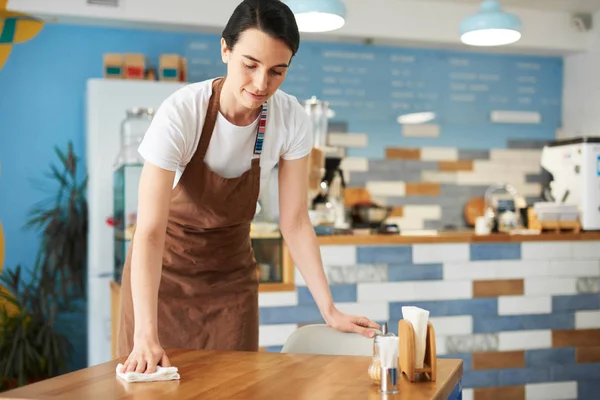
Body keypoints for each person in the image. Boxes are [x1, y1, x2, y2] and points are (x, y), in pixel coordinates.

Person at [118, 0, 380, 374]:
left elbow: (295, 222)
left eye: (277, 71)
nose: (261, 84)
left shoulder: (290, 119)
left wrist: (329, 309)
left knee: (235, 388)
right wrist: (145, 332)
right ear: (225, 49)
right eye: (250, 65)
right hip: (162, 280)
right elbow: (149, 231)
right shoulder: (182, 113)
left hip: (231, 281)